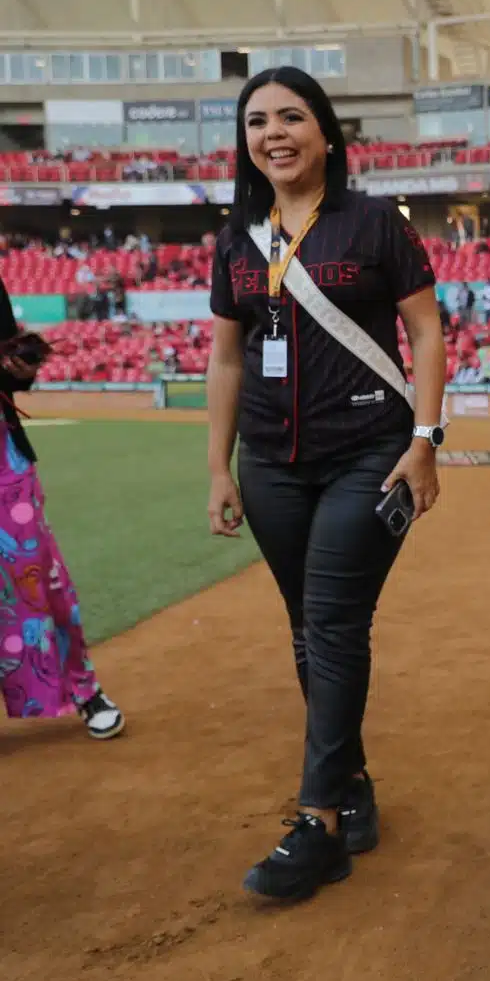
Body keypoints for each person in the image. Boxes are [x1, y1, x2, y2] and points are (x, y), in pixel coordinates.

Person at [204, 66, 448, 902]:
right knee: (307, 629)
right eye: (257, 120)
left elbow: (425, 328)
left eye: (292, 116)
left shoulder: (375, 223)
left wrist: (424, 440)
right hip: (270, 462)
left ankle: (321, 824)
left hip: (369, 454)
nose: (274, 133)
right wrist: (217, 467)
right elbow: (227, 355)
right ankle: (354, 788)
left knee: (335, 619)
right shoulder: (239, 238)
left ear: (327, 132)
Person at [0, 278, 124, 740]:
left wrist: (20, 364)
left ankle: (84, 690)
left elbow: (15, 373)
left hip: (3, 464)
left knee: (41, 578)